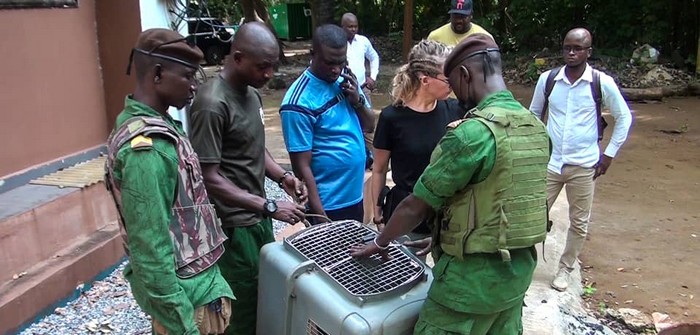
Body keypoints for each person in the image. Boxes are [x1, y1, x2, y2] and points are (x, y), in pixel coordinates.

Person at [351, 34, 551, 335]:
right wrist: (444, 236)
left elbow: (416, 206)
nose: (455, 93)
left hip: (467, 288)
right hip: (515, 280)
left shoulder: (471, 135)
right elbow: (499, 202)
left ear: (465, 75)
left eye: (453, 82)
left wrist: (379, 242)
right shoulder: (534, 128)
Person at [104, 28, 234, 335]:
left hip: (201, 292)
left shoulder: (158, 126)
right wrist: (183, 326)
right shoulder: (147, 150)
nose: (193, 86)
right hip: (192, 306)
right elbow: (150, 249)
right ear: (158, 74)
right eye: (187, 76)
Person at [188, 22, 308, 335]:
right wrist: (269, 206)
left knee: (263, 296)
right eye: (263, 66)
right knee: (240, 309)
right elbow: (208, 177)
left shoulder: (251, 95)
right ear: (238, 57)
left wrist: (284, 178)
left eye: (273, 66)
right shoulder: (212, 103)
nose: (269, 74)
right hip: (231, 228)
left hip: (256, 221)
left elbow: (255, 148)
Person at [529, 27, 633, 292]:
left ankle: (565, 268)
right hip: (551, 164)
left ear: (589, 51)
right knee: (532, 215)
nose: (572, 53)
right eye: (567, 47)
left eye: (578, 48)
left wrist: (609, 154)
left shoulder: (601, 83)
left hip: (584, 165)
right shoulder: (548, 80)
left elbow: (624, 117)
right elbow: (534, 116)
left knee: (579, 222)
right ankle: (522, 264)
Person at [371, 40, 462, 250]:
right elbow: (379, 168)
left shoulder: (456, 110)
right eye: (447, 78)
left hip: (447, 217)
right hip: (407, 217)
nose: (453, 83)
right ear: (425, 79)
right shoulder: (391, 117)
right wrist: (377, 211)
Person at [280, 24, 375, 223]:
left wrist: (357, 100)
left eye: (341, 62)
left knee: (355, 253)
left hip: (354, 197)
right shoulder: (297, 102)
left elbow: (369, 125)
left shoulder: (346, 81)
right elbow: (301, 167)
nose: (336, 69)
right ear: (312, 54)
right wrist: (320, 217)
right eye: (329, 62)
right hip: (328, 206)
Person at [341, 12, 381, 168]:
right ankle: (359, 158)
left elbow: (374, 57)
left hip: (363, 89)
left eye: (355, 26)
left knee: (368, 124)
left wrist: (373, 77)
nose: (353, 29)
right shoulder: (337, 43)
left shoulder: (363, 41)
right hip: (343, 90)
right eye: (349, 26)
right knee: (350, 123)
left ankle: (376, 161)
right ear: (342, 27)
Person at [427, 0, 493, 46]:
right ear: (450, 15)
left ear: (471, 15)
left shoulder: (485, 38)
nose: (459, 21)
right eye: (455, 16)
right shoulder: (435, 37)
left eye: (463, 17)